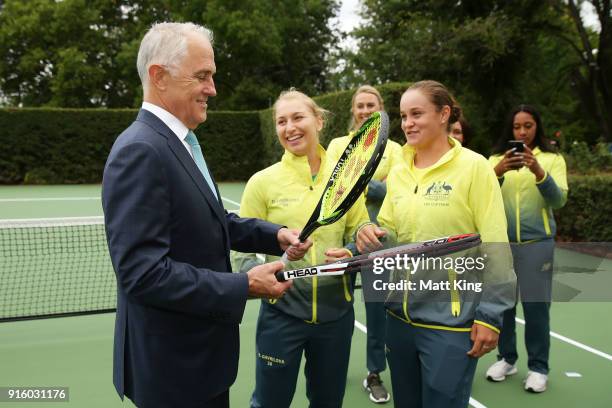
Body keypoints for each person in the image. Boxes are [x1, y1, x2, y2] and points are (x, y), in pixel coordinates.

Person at [102, 22, 311, 408]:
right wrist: (242, 286)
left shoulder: (180, 142)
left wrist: (274, 234)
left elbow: (213, 220)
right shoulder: (141, 150)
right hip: (174, 372)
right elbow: (142, 274)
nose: (213, 89)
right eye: (202, 76)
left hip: (200, 361)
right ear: (159, 77)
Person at [356, 80, 516, 408]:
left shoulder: (475, 168)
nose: (408, 123)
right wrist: (365, 236)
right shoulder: (400, 170)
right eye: (403, 116)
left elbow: (496, 243)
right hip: (399, 319)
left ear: (444, 114)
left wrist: (490, 315)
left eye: (417, 113)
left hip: (451, 323)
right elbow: (389, 233)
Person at [234, 89, 369, 408]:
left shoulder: (346, 179)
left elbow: (359, 230)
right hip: (281, 315)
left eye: (298, 117)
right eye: (281, 121)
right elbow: (240, 246)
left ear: (319, 121)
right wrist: (256, 282)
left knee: (327, 401)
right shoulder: (262, 183)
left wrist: (351, 253)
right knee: (270, 402)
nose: (289, 127)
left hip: (336, 317)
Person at [327, 85, 402, 404]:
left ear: (381, 109)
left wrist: (360, 183)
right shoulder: (337, 145)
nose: (365, 111)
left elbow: (396, 192)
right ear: (353, 110)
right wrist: (374, 185)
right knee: (336, 307)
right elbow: (333, 187)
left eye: (371, 105)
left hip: (378, 243)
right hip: (342, 240)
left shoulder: (397, 149)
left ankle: (374, 373)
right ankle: (330, 366)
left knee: (377, 310)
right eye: (360, 106)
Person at [486, 104, 568, 393]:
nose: (522, 132)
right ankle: (507, 359)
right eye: (517, 127)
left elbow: (558, 200)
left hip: (538, 245)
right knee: (503, 308)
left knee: (536, 308)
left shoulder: (552, 158)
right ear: (510, 129)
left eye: (528, 126)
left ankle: (538, 368)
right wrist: (496, 172)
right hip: (502, 245)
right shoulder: (495, 159)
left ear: (537, 127)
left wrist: (538, 170)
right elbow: (482, 198)